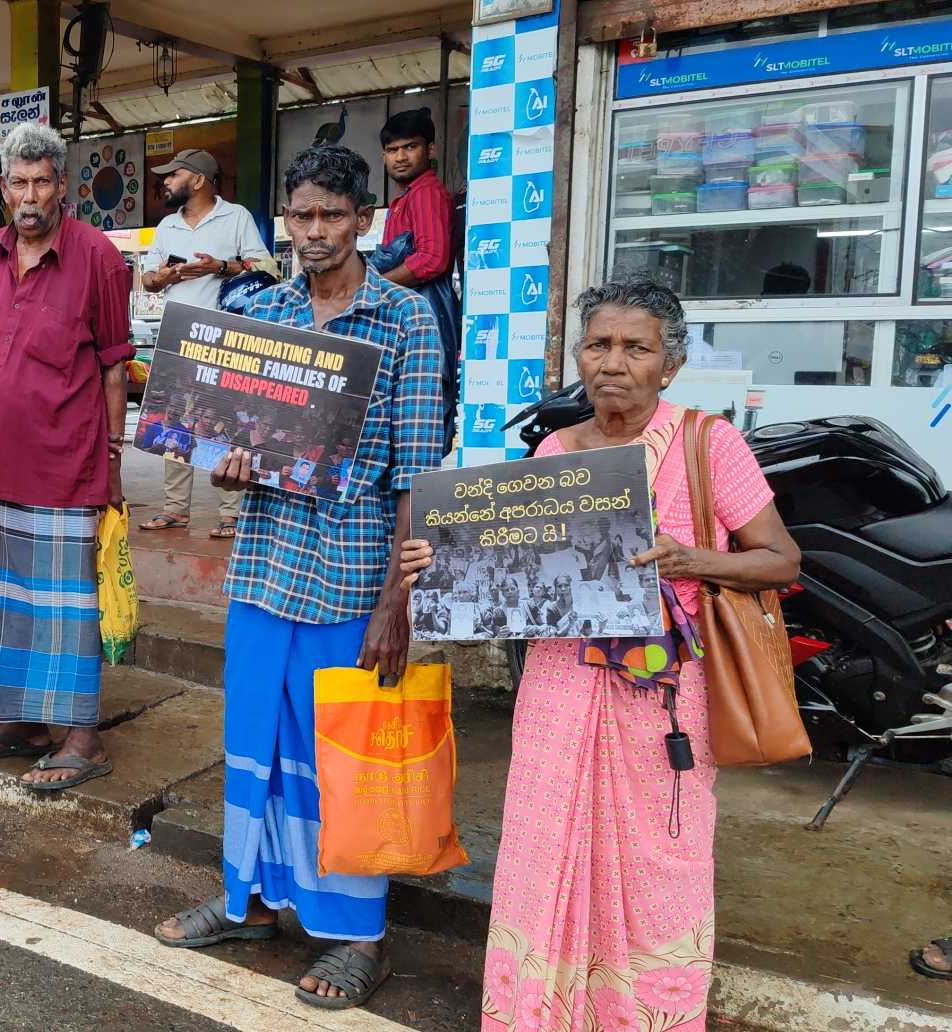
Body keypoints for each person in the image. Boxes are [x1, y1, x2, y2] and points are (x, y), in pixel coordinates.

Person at [398, 278, 800, 1032]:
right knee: (546, 852)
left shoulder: (708, 444)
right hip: (558, 687)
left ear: (670, 365)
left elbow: (781, 561)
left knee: (660, 864)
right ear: (579, 358)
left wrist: (691, 560)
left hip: (664, 699)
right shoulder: (555, 449)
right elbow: (515, 569)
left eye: (635, 347)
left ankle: (645, 1016)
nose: (613, 363)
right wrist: (442, 561)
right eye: (598, 345)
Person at [152, 145, 449, 1011]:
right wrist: (226, 467)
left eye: (333, 216)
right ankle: (246, 900)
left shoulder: (404, 322)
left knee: (343, 760)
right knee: (254, 742)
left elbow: (418, 475)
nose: (316, 232)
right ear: (284, 220)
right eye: (302, 216)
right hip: (264, 565)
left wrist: (397, 606)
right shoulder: (266, 315)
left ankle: (359, 939)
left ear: (363, 220)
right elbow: (215, 444)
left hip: (350, 577)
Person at [0, 121, 132, 791]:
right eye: (19, 183)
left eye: (43, 182)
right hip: (3, 452)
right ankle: (24, 722)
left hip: (71, 456)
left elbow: (116, 366)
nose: (31, 195)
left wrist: (113, 465)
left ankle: (83, 737)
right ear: (5, 188)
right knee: (8, 594)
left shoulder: (99, 258)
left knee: (66, 603)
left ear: (64, 185)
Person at [139, 149, 271, 539]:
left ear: (198, 180)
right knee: (176, 422)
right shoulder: (166, 226)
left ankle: (230, 513)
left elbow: (266, 269)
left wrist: (219, 267)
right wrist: (163, 279)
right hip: (178, 333)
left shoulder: (236, 217)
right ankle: (175, 509)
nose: (165, 181)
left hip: (224, 336)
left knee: (227, 423)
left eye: (173, 174)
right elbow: (147, 278)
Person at [376, 109, 459, 376]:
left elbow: (431, 259)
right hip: (407, 316)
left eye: (410, 147)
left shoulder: (426, 194)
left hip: (425, 317)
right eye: (392, 149)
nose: (400, 157)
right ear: (384, 156)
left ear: (430, 149)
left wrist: (374, 285)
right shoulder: (403, 200)